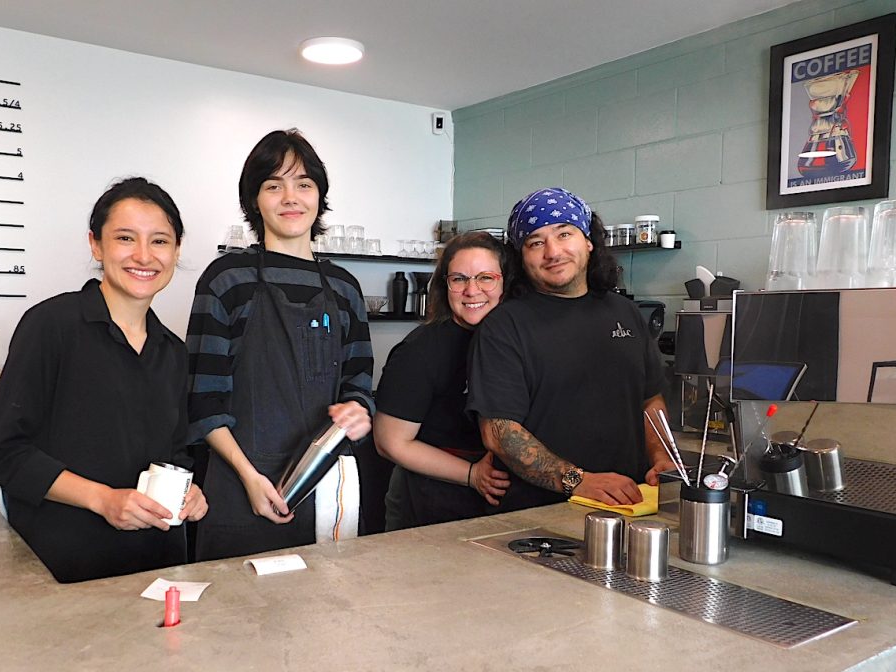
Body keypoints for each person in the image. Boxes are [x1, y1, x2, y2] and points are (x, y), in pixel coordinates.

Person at [0, 177, 208, 583]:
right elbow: (3, 452)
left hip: (155, 568)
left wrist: (190, 493)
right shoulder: (51, 326)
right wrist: (102, 500)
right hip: (63, 569)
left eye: (159, 241)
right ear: (96, 245)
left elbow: (175, 454)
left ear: (176, 251)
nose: (143, 255)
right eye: (125, 238)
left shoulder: (172, 351)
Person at [186, 129, 373, 560]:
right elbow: (204, 400)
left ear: (319, 197)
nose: (291, 197)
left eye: (303, 184)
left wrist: (359, 411)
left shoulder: (345, 288)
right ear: (255, 200)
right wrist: (250, 478)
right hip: (239, 488)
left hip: (326, 486)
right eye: (274, 185)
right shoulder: (226, 279)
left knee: (327, 612)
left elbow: (358, 381)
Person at [466, 187, 674, 512]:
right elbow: (499, 431)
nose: (553, 252)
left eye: (564, 234)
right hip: (540, 516)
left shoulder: (626, 312)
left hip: (632, 502)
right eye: (536, 242)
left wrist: (661, 456)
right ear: (522, 256)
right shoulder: (504, 327)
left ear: (588, 241)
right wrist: (580, 481)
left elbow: (650, 398)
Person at [374, 232, 512, 530]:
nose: (472, 290)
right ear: (444, 286)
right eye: (459, 279)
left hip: (498, 497)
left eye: (485, 277)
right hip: (428, 498)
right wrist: (472, 474)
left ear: (504, 283)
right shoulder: (421, 350)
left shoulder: (513, 342)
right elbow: (390, 443)